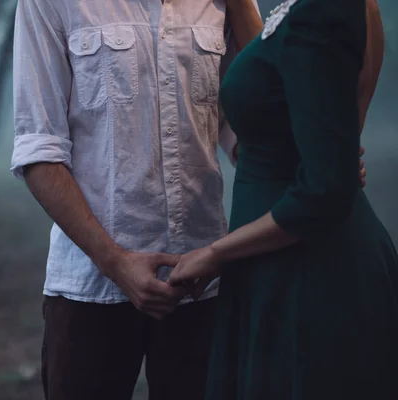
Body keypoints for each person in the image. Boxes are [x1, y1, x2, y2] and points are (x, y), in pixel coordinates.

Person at [10, 1, 367, 400]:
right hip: (91, 285)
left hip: (201, 281)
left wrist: (319, 157)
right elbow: (39, 151)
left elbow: (247, 120)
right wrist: (115, 262)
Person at [168, 0, 398, 399]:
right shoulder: (314, 9)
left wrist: (217, 254)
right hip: (280, 258)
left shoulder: (325, 11)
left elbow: (326, 187)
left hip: (306, 271)